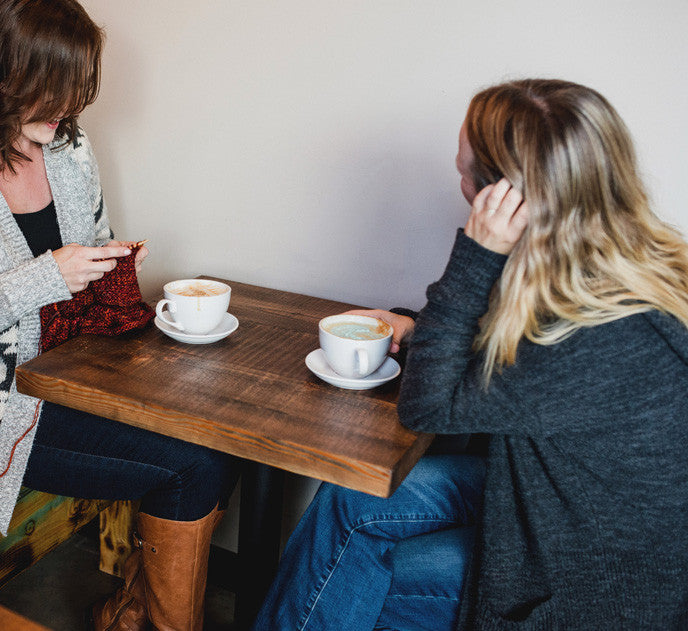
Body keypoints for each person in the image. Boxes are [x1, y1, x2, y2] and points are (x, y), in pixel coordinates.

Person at [254, 78, 688, 630]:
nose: (456, 178)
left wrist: (476, 253)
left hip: (586, 590)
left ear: (505, 198)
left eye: (464, 169)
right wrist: (414, 332)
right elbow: (515, 367)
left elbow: (428, 408)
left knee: (350, 569)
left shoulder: (604, 334)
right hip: (543, 505)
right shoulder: (607, 266)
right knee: (353, 498)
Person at [0, 2, 236, 629]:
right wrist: (49, 275)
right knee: (197, 464)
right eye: (51, 89)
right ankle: (143, 619)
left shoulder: (68, 145)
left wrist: (111, 264)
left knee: (220, 426)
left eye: (74, 89)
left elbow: (87, 254)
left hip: (66, 376)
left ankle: (131, 613)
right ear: (1, 73)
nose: (66, 107)